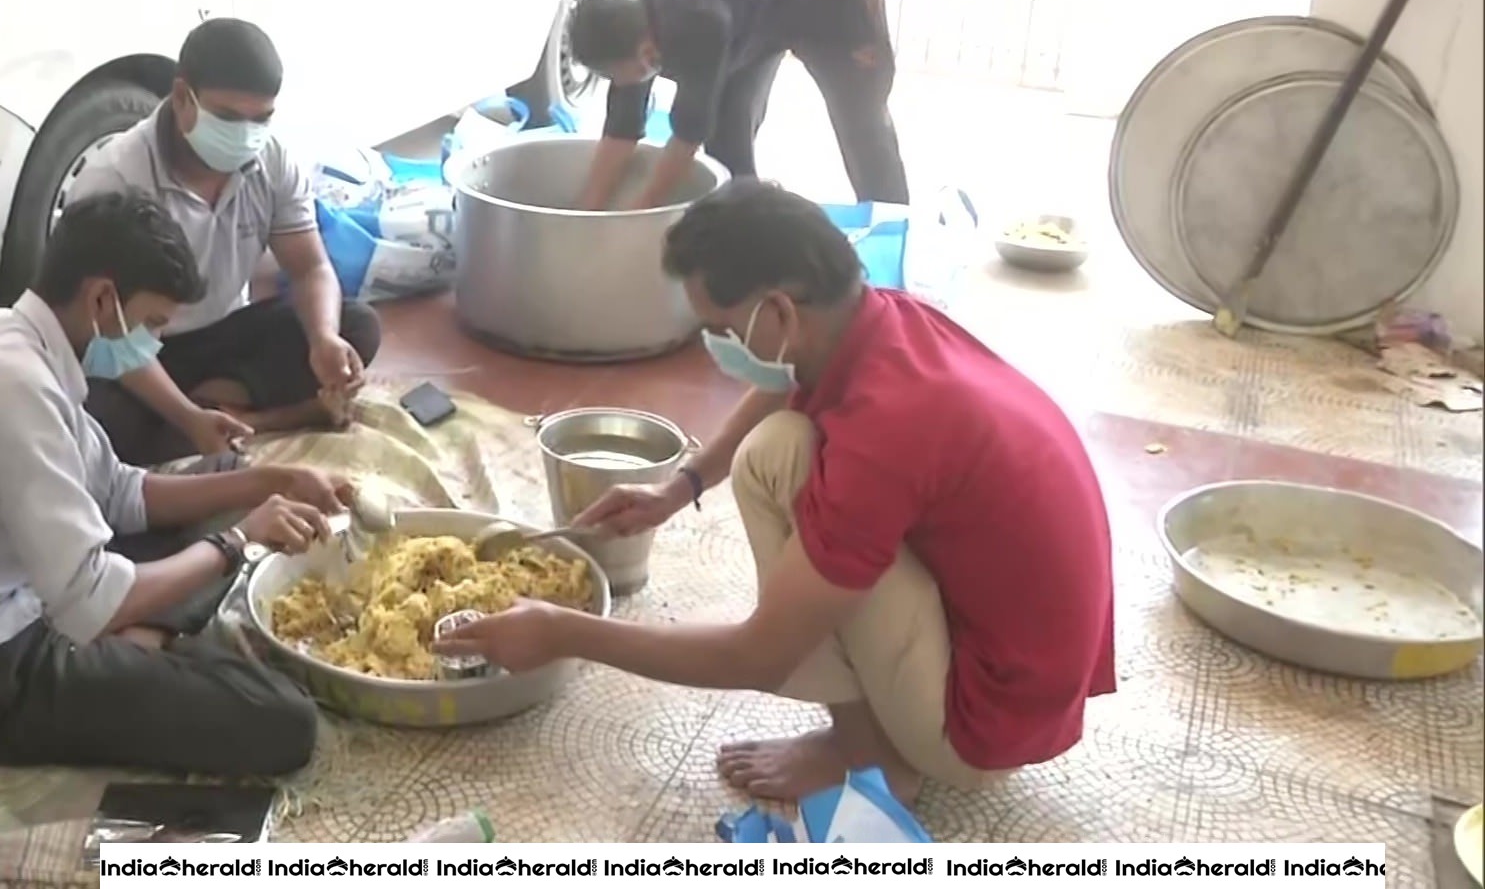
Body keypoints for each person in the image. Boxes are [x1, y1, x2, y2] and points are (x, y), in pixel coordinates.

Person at [435, 180, 1117, 803]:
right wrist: (679, 487)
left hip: (982, 722)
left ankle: (873, 757)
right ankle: (868, 736)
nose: (718, 346)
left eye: (725, 330)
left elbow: (758, 654)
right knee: (778, 445)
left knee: (778, 464)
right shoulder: (880, 321)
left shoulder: (887, 430)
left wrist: (563, 632)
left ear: (779, 312)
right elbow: (784, 384)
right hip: (1020, 670)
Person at [0, 191, 348, 775]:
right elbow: (87, 598)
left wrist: (274, 479)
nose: (155, 344)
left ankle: (141, 632)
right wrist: (236, 541)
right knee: (281, 718)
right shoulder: (18, 385)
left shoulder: (29, 345)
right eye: (152, 323)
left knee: (233, 479)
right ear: (103, 299)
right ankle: (125, 643)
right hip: (15, 651)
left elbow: (122, 495)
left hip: (48, 581)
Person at [68, 17, 381, 466]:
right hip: (138, 351)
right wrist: (186, 413)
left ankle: (221, 413)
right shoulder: (116, 181)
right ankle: (254, 417)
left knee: (357, 327)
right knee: (99, 424)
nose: (246, 135)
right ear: (181, 98)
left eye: (262, 119)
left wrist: (323, 338)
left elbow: (310, 268)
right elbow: (110, 335)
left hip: (225, 333)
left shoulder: (272, 162)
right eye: (229, 118)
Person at [568, 0, 909, 212]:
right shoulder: (627, 28)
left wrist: (636, 216)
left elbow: (687, 138)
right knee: (727, 138)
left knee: (860, 112)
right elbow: (621, 131)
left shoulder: (702, 21)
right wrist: (586, 214)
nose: (620, 85)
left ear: (645, 55)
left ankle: (892, 224)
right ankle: (745, 234)